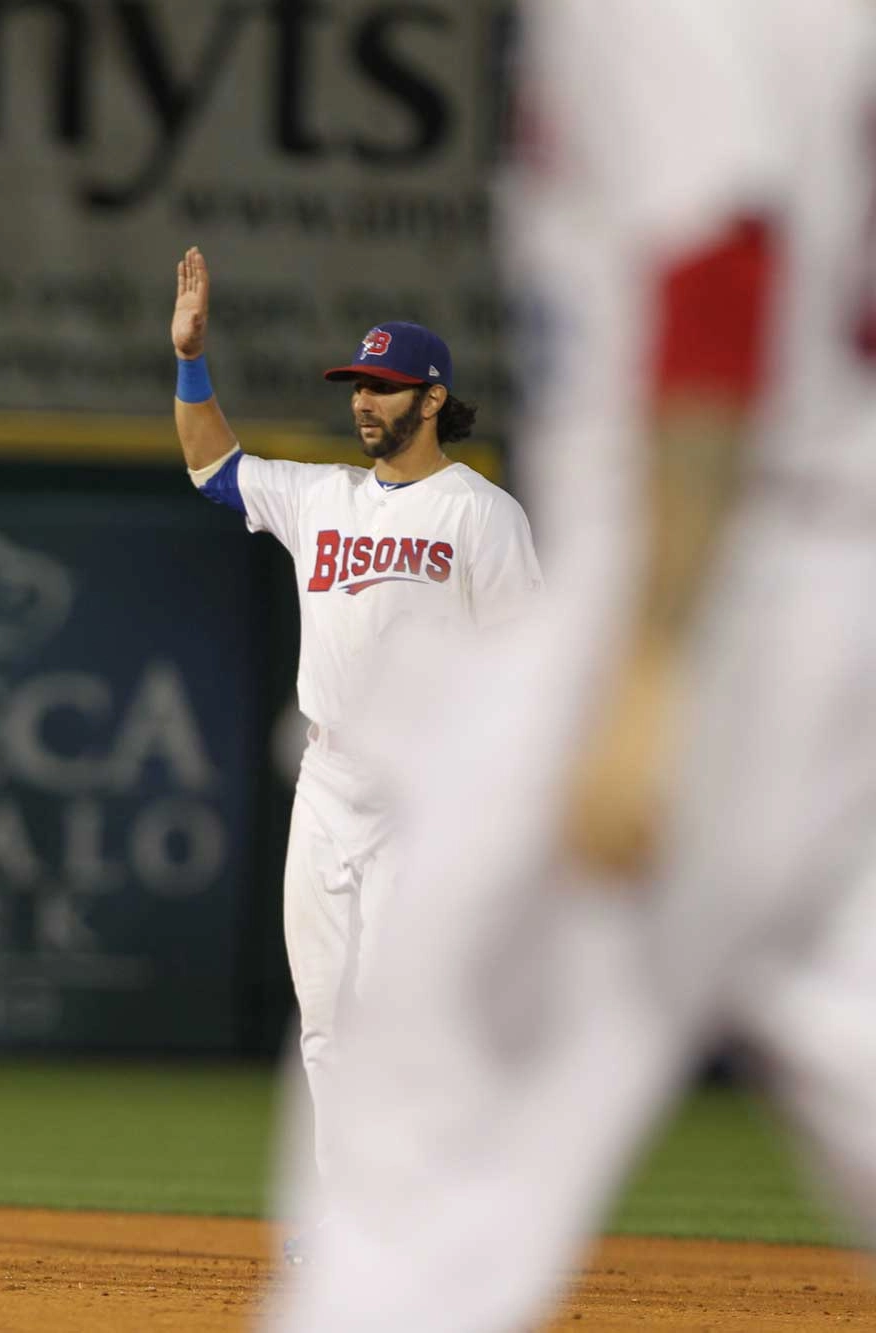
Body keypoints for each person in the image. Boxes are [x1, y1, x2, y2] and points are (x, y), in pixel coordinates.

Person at [271, 2, 876, 1328]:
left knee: (423, 1123)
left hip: (709, 561)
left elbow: (721, 268)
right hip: (829, 573)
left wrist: (659, 663)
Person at [168, 247, 542, 1251]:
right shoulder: (319, 496)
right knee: (327, 1017)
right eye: (356, 386)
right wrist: (190, 360)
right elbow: (211, 467)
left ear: (431, 396)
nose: (362, 402)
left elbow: (525, 673)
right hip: (327, 781)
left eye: (380, 386)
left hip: (426, 796)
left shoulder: (479, 515)